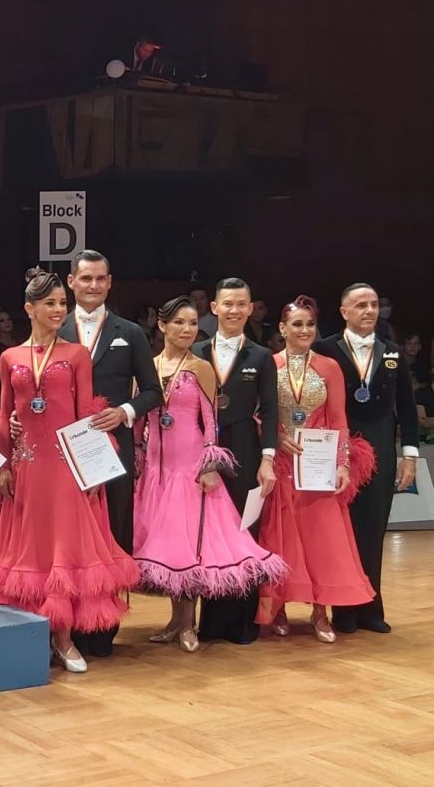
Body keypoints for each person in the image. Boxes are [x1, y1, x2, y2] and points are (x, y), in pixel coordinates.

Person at [0, 269, 138, 673]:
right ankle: (34, 638)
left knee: (62, 551)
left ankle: (65, 640)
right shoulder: (9, 357)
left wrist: (91, 470)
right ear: (29, 308)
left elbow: (85, 414)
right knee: (32, 550)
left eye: (61, 303)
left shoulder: (77, 355)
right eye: (49, 303)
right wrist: (4, 466)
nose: (57, 310)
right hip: (27, 468)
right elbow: (5, 414)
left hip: (66, 468)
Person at [133, 296, 286, 653]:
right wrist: (137, 455)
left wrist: (210, 464)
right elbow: (139, 418)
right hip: (156, 467)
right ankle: (174, 620)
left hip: (189, 467)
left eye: (192, 323)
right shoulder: (148, 368)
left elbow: (211, 422)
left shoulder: (201, 367)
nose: (187, 330)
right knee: (167, 547)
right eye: (179, 323)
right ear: (162, 325)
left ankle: (188, 624)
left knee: (190, 546)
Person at [58, 249, 161, 657]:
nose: (94, 285)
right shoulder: (54, 327)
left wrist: (125, 412)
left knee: (113, 534)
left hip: (113, 450)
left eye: (101, 278)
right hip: (64, 451)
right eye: (86, 278)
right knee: (69, 537)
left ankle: (104, 627)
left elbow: (153, 391)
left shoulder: (130, 332)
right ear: (71, 282)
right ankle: (65, 625)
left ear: (110, 282)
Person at [256, 296, 375, 643]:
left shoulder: (329, 366)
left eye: (310, 324)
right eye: (297, 324)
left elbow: (338, 419)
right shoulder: (268, 364)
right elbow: (258, 413)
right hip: (282, 464)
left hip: (317, 464)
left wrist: (342, 463)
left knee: (320, 540)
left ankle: (320, 611)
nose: (305, 330)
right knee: (281, 539)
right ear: (282, 328)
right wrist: (276, 438)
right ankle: (278, 608)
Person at [314, 284, 419, 633]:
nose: (369, 310)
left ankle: (371, 609)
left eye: (373, 304)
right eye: (360, 305)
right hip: (338, 447)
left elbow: (407, 408)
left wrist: (409, 456)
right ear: (344, 311)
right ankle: (343, 610)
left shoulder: (392, 352)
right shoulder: (325, 349)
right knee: (341, 530)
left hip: (381, 447)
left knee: (374, 529)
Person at [192, 277, 279, 644]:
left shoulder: (261, 356)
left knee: (244, 530)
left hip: (244, 446)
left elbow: (271, 409)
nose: (234, 310)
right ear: (214, 307)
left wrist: (267, 459)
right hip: (202, 447)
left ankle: (243, 622)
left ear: (250, 308)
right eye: (227, 303)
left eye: (241, 304)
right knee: (210, 533)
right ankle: (212, 622)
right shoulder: (195, 351)